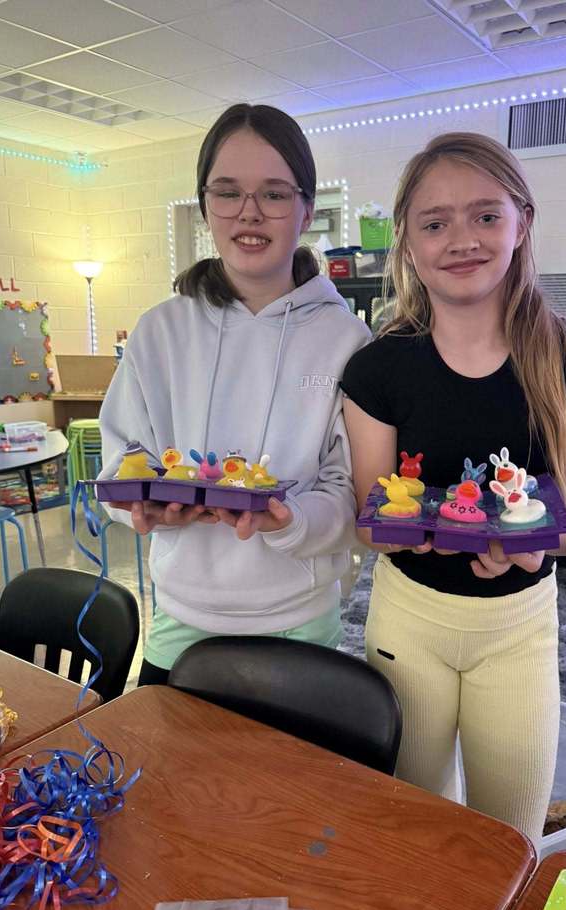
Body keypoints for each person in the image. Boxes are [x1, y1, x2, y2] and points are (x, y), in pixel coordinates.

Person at [341, 132, 566, 849]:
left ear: (522, 223)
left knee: (510, 836)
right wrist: (426, 531)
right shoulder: (377, 370)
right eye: (435, 223)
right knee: (414, 826)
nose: (461, 239)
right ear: (407, 241)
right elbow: (370, 520)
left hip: (520, 627)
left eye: (486, 215)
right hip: (410, 620)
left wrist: (535, 544)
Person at [99, 104, 370, 684]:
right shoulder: (159, 332)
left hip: (301, 619)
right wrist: (139, 506)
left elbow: (350, 490)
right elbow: (120, 463)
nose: (249, 212)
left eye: (274, 193)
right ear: (205, 205)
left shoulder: (346, 339)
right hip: (182, 617)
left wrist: (288, 520)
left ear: (306, 209)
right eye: (227, 192)